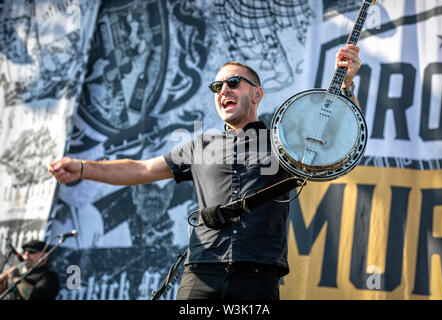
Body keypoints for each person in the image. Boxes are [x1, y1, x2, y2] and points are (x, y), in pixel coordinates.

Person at [48, 44, 361, 299]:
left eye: (233, 82)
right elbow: (141, 170)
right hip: (201, 272)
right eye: (217, 86)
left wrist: (347, 85)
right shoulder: (201, 145)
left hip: (257, 276)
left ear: (257, 94)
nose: (223, 89)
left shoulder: (284, 141)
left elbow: (340, 143)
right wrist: (84, 168)